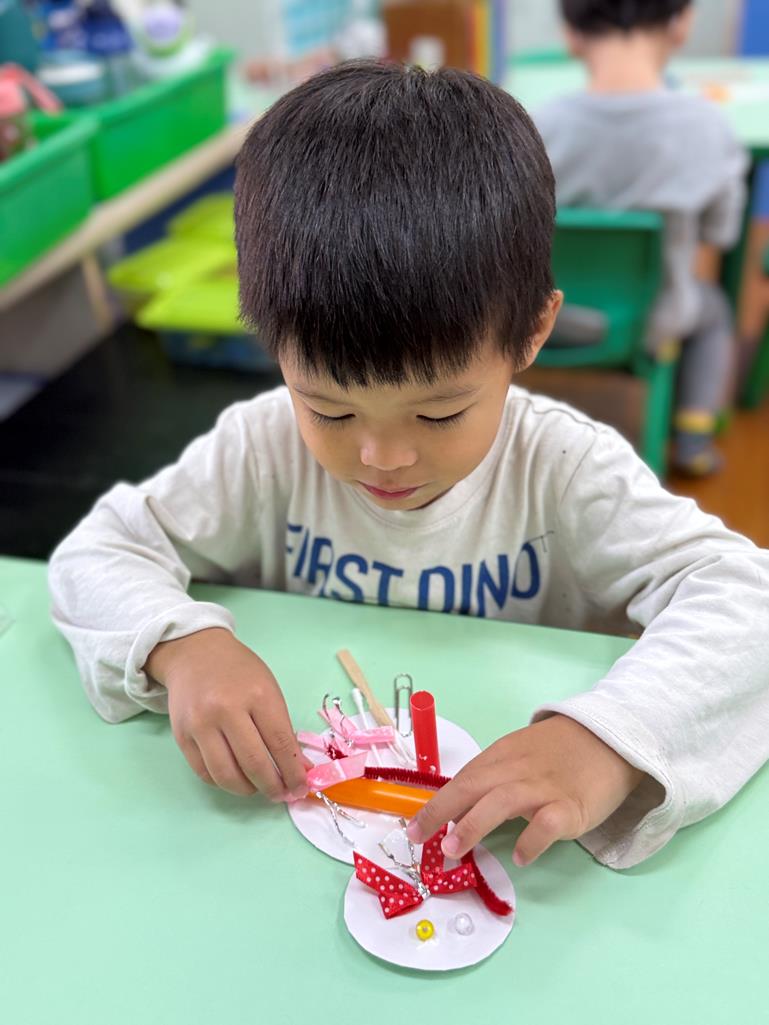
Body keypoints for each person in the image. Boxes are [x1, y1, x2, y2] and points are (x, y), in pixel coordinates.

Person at [48, 61, 769, 873]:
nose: (381, 456)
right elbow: (98, 552)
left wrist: (606, 740)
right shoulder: (262, 446)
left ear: (533, 332)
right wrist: (181, 647)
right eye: (329, 409)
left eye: (438, 414)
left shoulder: (563, 467)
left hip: (510, 861)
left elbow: (748, 598)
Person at [533, 0, 748, 476]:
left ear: (570, 32)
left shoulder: (538, 125)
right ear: (682, 23)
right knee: (713, 309)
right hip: (651, 323)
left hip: (541, 317)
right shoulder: (709, 127)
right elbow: (721, 233)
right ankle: (693, 433)